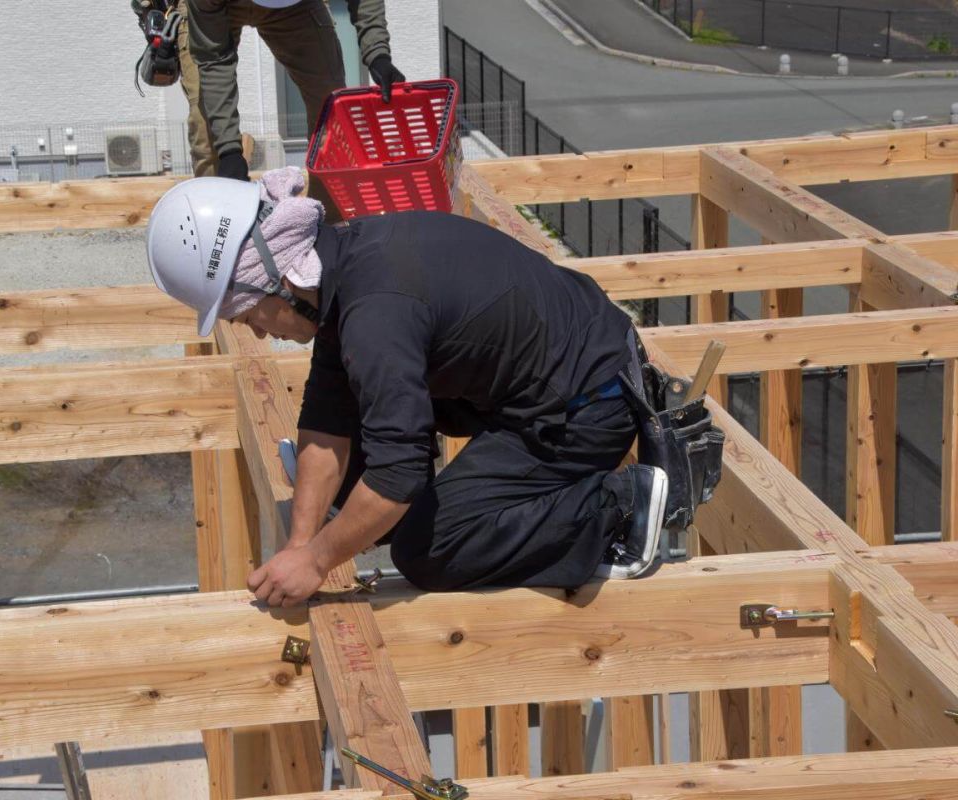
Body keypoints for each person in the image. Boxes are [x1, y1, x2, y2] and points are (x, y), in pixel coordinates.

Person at [145, 168, 669, 607]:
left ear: (282, 283)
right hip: (542, 372)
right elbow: (327, 425)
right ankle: (405, 510)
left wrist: (320, 560)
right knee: (356, 471)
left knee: (428, 550)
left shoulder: (375, 315)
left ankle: (619, 508)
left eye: (250, 316)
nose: (259, 332)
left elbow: (399, 472)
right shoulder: (347, 266)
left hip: (586, 405)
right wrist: (300, 546)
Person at [135, 0, 403, 186]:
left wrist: (377, 53)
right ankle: (219, 229)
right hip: (215, 9)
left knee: (330, 108)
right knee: (207, 128)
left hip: (296, 9)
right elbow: (214, 60)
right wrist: (229, 151)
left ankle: (330, 231)